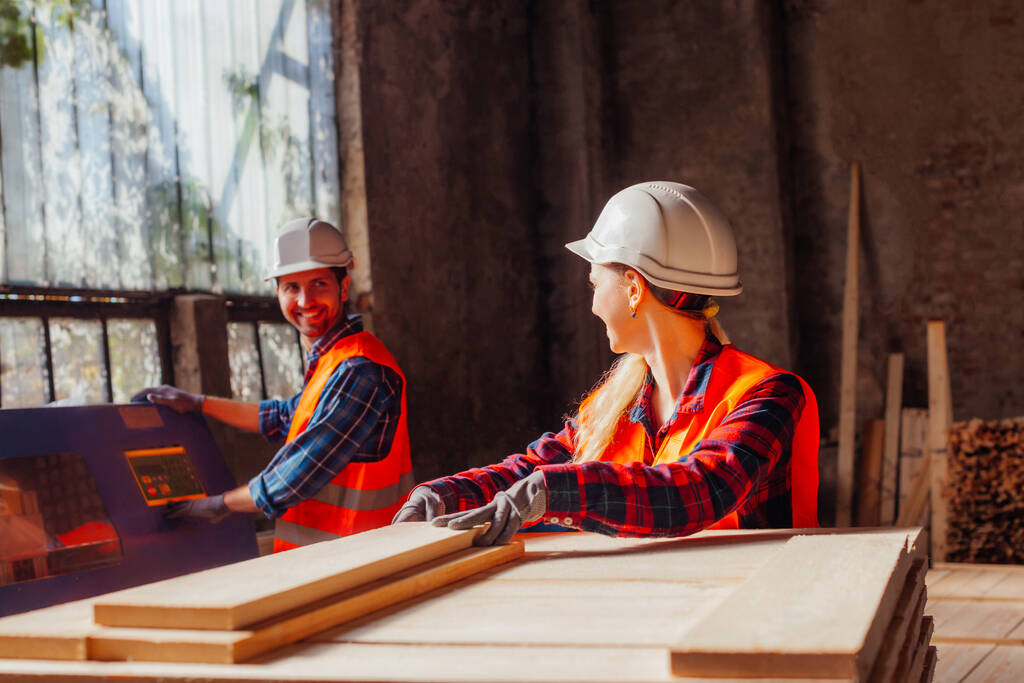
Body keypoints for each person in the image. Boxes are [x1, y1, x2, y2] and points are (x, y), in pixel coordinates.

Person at [393, 181, 819, 545]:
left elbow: (699, 491)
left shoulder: (767, 395)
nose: (594, 305)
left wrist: (556, 492)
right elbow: (533, 468)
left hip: (751, 621)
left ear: (634, 288)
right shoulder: (616, 404)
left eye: (596, 284)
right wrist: (443, 495)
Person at [136, 218, 413, 552]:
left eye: (319, 284)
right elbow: (283, 416)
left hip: (358, 557)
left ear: (344, 287)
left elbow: (296, 476)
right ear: (278, 293)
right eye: (291, 287)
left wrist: (214, 506)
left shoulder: (359, 369)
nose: (305, 300)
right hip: (332, 559)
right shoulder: (332, 359)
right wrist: (197, 403)